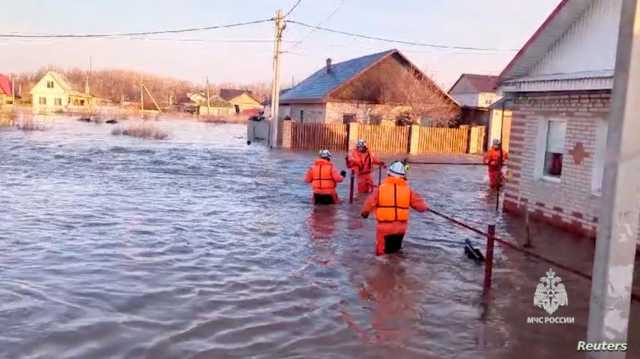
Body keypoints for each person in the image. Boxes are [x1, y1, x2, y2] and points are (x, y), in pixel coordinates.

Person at [360, 161, 428, 256]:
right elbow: (421, 207)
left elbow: (369, 203)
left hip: (385, 228)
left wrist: (365, 213)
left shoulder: (380, 189)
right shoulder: (408, 190)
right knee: (396, 252)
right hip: (401, 228)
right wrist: (425, 207)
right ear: (403, 176)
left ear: (389, 174)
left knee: (382, 255)